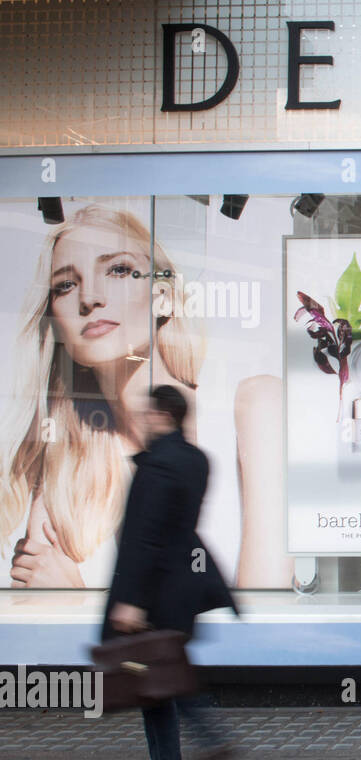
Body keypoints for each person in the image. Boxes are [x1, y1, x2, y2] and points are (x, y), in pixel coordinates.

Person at [1, 203, 292, 590]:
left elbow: (264, 632)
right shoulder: (61, 469)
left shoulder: (257, 408)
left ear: (164, 298)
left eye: (118, 269)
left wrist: (79, 603)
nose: (90, 297)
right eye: (66, 285)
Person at [103, 385, 236, 760]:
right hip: (184, 586)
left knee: (151, 684)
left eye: (147, 413)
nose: (142, 419)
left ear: (162, 415)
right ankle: (209, 737)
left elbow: (145, 539)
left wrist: (131, 600)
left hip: (155, 591)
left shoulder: (158, 464)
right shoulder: (196, 459)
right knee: (169, 671)